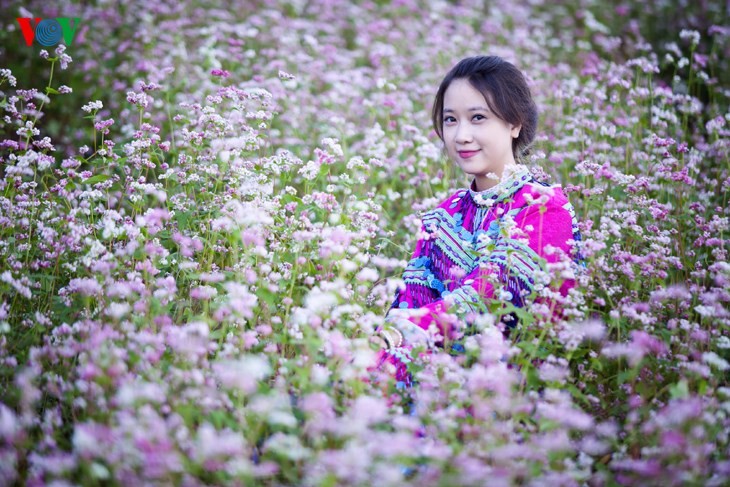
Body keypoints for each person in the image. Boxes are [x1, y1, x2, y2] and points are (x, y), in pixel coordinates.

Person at [371, 56, 585, 386]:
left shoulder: (543, 208)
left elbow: (489, 302)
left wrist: (396, 335)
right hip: (432, 367)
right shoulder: (444, 215)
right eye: (451, 120)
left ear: (515, 124)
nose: (461, 135)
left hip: (509, 389)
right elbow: (411, 298)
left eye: (478, 118)